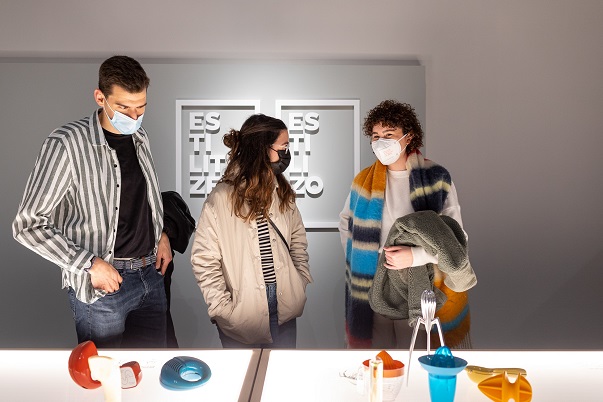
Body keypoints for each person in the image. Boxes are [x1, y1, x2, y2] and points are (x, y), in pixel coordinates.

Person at [12, 55, 172, 348]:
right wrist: (90, 265)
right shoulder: (67, 143)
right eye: (124, 107)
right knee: (102, 372)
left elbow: (139, 197)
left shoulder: (141, 137)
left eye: (141, 107)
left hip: (150, 275)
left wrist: (159, 233)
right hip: (102, 286)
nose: (134, 116)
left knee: (150, 369)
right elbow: (27, 225)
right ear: (100, 98)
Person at [339, 100, 475, 350]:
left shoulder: (436, 177)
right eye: (376, 136)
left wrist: (415, 257)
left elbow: (458, 238)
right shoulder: (363, 180)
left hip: (423, 286)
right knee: (379, 356)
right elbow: (345, 222)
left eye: (389, 135)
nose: (381, 142)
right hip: (375, 283)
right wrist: (364, 257)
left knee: (418, 353)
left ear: (409, 136)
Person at [191, 114, 312, 348]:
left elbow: (298, 240)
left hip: (284, 308)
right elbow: (204, 259)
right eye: (283, 147)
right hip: (241, 315)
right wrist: (223, 309)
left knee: (282, 371)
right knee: (244, 373)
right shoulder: (221, 198)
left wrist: (300, 280)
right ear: (261, 148)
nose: (287, 153)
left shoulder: (282, 191)